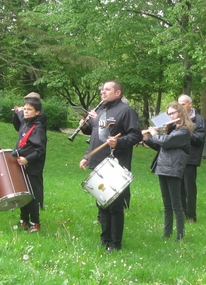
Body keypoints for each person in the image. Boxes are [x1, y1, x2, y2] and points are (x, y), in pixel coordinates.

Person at [79, 81, 141, 252]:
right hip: (98, 162)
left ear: (118, 93)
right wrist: (86, 156)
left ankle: (115, 243)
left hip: (115, 164)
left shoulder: (126, 111)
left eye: (107, 89)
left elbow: (136, 135)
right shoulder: (100, 110)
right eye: (102, 90)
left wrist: (118, 141)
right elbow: (94, 136)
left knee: (115, 205)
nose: (103, 92)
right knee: (102, 203)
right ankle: (105, 239)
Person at [143, 102, 194, 241]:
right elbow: (160, 146)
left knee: (176, 204)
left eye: (173, 113)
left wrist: (154, 133)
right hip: (163, 167)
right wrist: (146, 139)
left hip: (173, 167)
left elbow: (165, 142)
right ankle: (167, 233)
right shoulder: (172, 128)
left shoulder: (184, 131)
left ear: (180, 113)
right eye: (169, 114)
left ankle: (180, 235)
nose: (171, 116)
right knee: (167, 204)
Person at [12, 97, 47, 232]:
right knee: (22, 192)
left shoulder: (38, 128)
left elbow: (40, 150)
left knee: (32, 194)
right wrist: (16, 114)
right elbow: (17, 124)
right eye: (25, 109)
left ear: (37, 112)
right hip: (21, 164)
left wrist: (28, 159)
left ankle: (35, 222)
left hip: (32, 167)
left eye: (29, 110)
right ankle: (24, 219)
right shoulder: (25, 123)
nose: (25, 112)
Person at [178, 95, 206, 223]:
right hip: (177, 157)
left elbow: (199, 139)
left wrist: (185, 128)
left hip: (190, 158)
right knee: (179, 187)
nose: (181, 106)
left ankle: (191, 215)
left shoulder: (199, 119)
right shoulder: (175, 117)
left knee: (189, 188)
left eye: (183, 104)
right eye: (179, 104)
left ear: (190, 104)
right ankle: (181, 213)